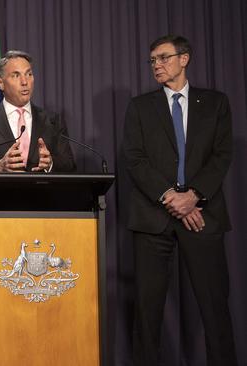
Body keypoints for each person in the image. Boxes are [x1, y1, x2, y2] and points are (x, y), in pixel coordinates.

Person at [123, 35, 236, 365]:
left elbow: (221, 154)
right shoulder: (140, 107)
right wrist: (171, 196)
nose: (156, 65)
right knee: (147, 312)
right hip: (153, 219)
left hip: (203, 215)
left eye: (163, 58)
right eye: (152, 60)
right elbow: (135, 158)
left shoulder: (215, 103)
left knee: (215, 308)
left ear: (184, 59)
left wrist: (194, 195)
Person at [0, 50, 75, 178]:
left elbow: (70, 166)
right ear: (0, 83)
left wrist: (51, 163)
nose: (25, 82)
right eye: (16, 75)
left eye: (29, 74)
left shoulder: (52, 121)